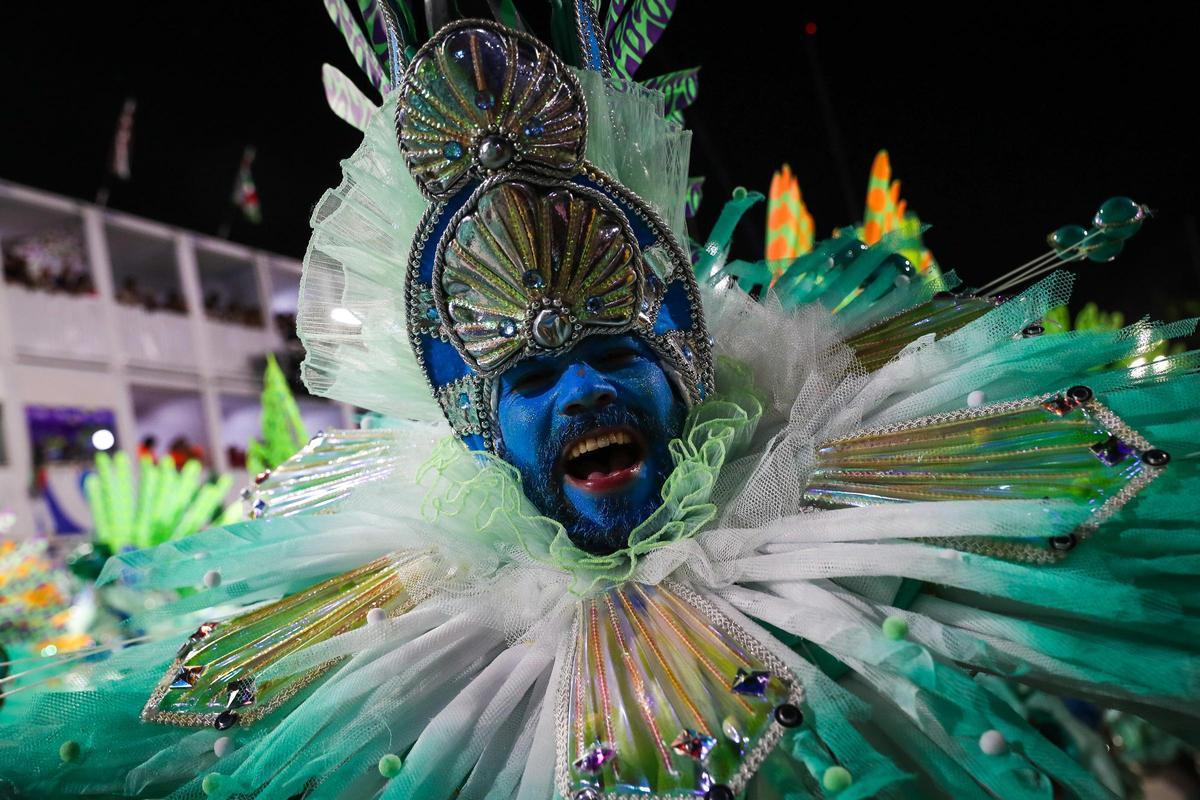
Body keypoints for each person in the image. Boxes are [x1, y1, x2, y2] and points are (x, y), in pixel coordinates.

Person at [1, 10, 1197, 800]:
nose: (579, 390)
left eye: (610, 350)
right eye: (528, 378)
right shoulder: (428, 627)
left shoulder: (846, 516)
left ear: (678, 351)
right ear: (481, 425)